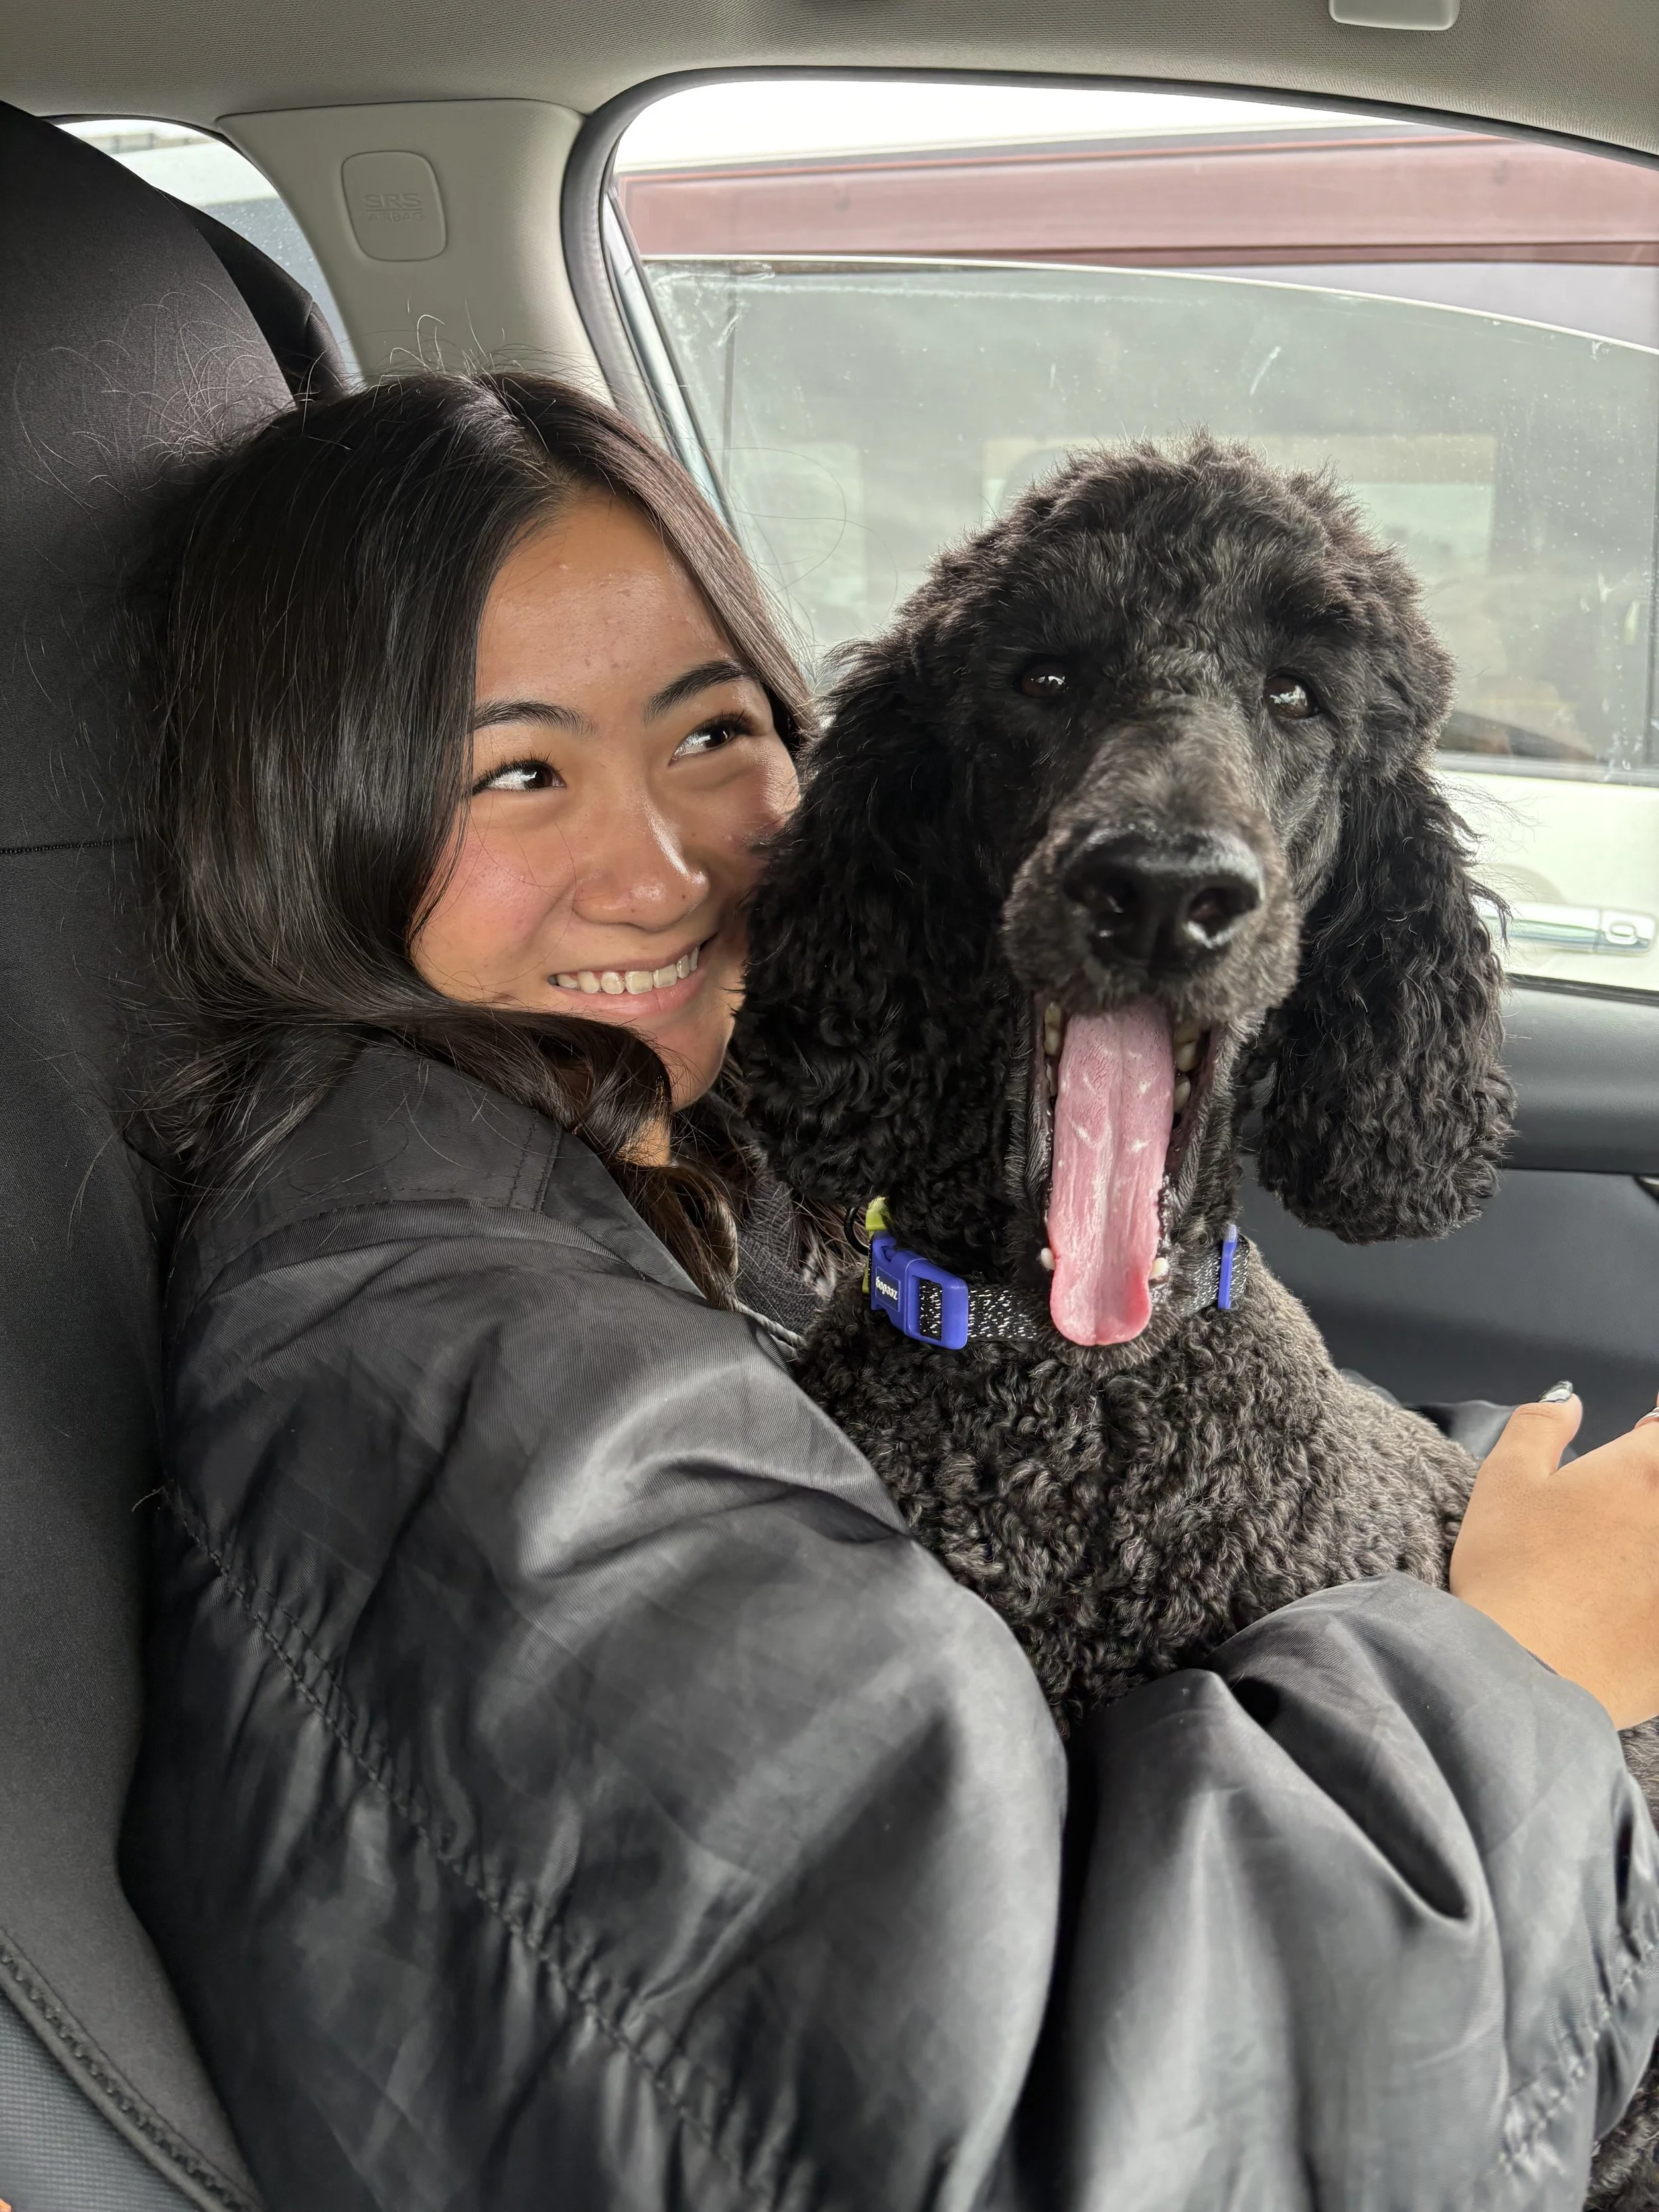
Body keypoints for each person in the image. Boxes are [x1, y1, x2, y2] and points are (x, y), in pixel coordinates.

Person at [117, 369, 1659, 2212]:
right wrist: (1520, 1666)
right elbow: (1083, 2146)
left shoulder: (661, 1150)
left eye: (709, 731)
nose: (663, 869)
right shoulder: (447, 1379)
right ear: (315, 813)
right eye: (518, 770)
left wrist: (1509, 1522)